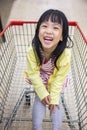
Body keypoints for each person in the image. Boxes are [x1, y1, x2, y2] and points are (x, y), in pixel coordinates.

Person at [24, 9, 73, 130]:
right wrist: (42, 93)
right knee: (39, 99)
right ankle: (37, 127)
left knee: (56, 103)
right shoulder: (32, 51)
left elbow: (60, 78)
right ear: (38, 31)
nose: (49, 31)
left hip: (56, 80)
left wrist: (54, 97)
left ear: (62, 36)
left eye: (55, 28)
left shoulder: (65, 55)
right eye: (44, 26)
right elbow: (34, 75)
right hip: (40, 79)